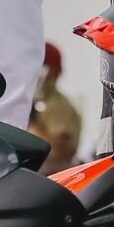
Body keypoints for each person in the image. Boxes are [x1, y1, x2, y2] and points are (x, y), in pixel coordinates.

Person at [29, 41, 84, 174]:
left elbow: (58, 151)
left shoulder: (58, 104)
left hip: (52, 177)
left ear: (53, 72)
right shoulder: (37, 101)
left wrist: (33, 122)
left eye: (42, 68)